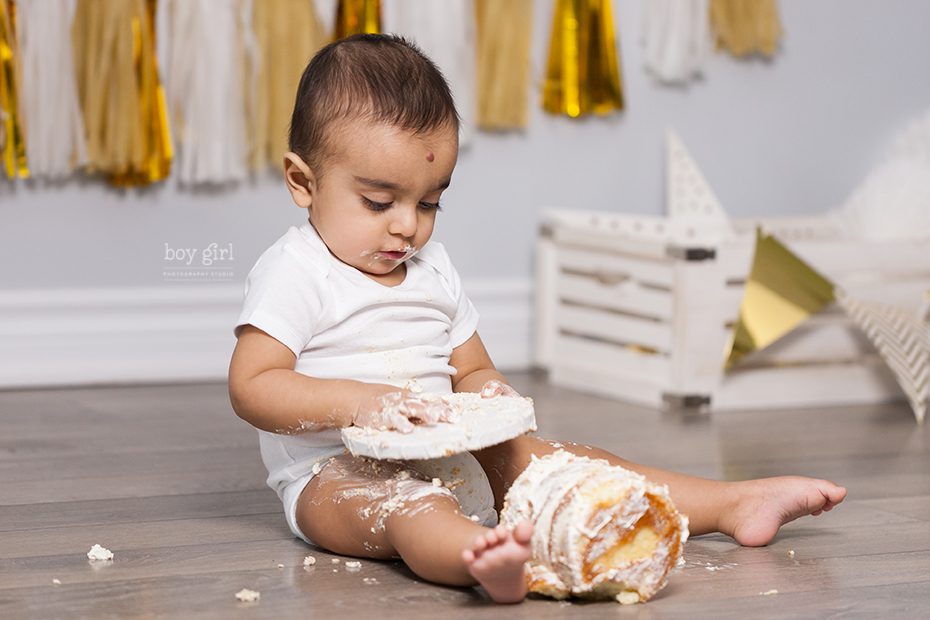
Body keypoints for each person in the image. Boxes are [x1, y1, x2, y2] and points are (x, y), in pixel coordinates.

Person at [228, 34, 847, 604]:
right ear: (302, 182)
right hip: (332, 474)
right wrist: (361, 403)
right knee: (406, 508)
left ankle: (732, 503)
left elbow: (471, 367)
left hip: (449, 448)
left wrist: (489, 397)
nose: (407, 225)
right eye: (379, 201)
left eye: (430, 201)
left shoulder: (432, 269)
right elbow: (253, 386)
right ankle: (482, 560)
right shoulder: (297, 271)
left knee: (565, 462)